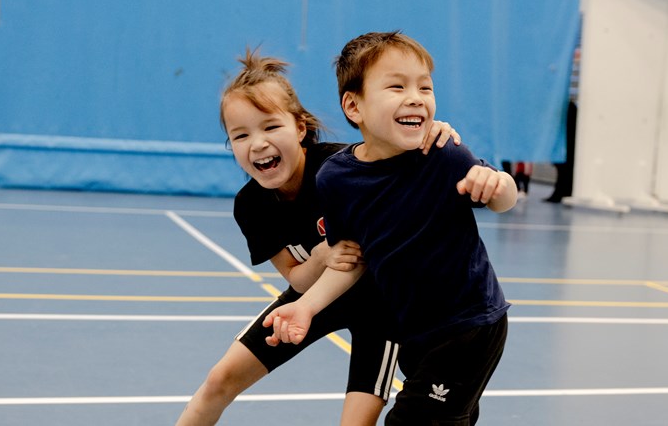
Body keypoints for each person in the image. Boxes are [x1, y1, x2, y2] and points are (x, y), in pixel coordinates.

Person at [175, 48, 461, 426]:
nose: (257, 143)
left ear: (300, 128)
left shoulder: (343, 167)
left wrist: (436, 132)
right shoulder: (251, 206)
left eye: (270, 126)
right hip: (313, 297)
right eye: (240, 135)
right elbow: (295, 276)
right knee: (218, 381)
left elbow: (406, 154)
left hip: (381, 309)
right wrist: (323, 256)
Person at [263, 31, 517, 425]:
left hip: (469, 326)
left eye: (425, 87)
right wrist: (306, 306)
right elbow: (351, 258)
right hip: (414, 334)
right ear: (354, 106)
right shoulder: (336, 178)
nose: (416, 97)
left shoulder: (443, 153)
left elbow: (503, 198)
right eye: (397, 86)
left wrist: (500, 185)